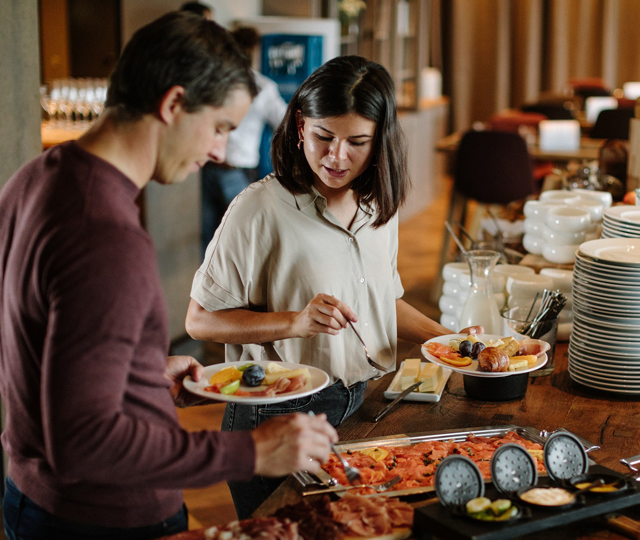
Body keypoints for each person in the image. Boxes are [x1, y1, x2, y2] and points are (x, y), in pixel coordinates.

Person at [0, 12, 336, 540]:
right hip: (105, 517)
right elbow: (85, 442)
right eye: (218, 127)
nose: (218, 151)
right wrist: (254, 450)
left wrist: (136, 374)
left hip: (29, 498)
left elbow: (1, 345)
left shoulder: (31, 178)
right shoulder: (107, 237)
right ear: (172, 104)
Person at [185, 55, 480, 518]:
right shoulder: (259, 209)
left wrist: (449, 341)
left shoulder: (379, 204)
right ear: (300, 127)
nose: (336, 156)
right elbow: (199, 321)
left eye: (357, 142)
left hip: (358, 402)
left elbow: (383, 303)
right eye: (323, 136)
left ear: (380, 140)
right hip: (274, 414)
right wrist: (296, 322)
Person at [200, 26, 287, 256]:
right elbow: (286, 123)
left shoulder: (212, 81)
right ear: (253, 52)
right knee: (243, 239)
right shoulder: (262, 87)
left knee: (208, 239)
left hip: (206, 167)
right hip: (238, 171)